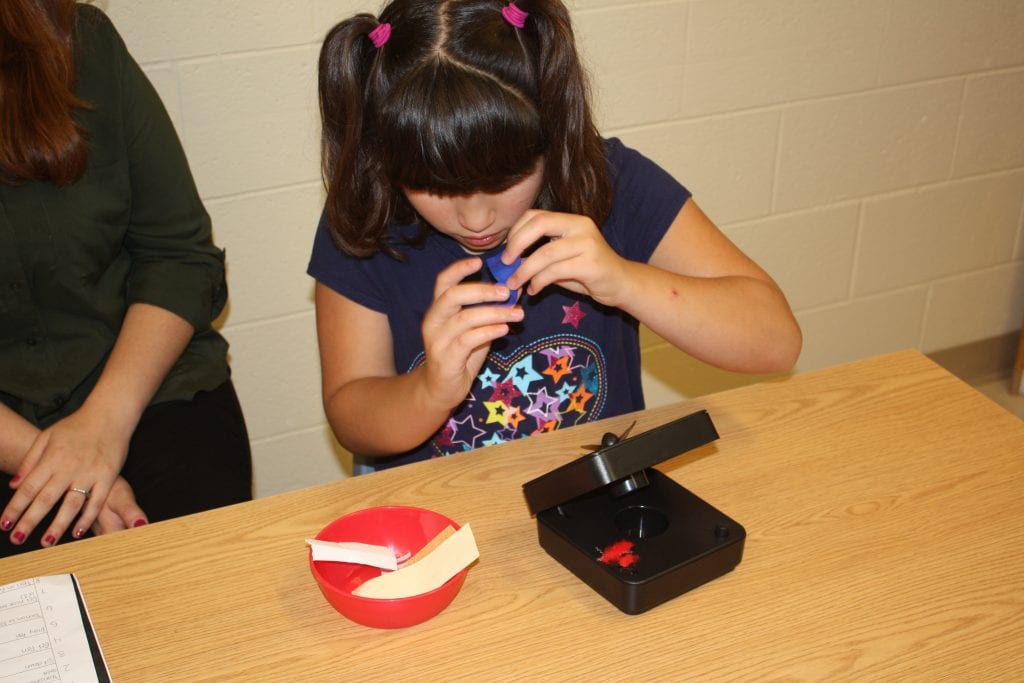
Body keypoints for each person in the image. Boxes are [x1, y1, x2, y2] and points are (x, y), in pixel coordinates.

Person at [308, 0, 802, 473]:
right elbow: (352, 417)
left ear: (551, 132)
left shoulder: (608, 183)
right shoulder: (364, 216)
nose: (476, 219)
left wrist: (625, 281)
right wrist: (432, 388)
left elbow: (776, 343)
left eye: (504, 179)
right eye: (434, 185)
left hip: (599, 501)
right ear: (385, 156)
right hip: (440, 517)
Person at [0, 0, 253, 556]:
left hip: (143, 384)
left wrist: (102, 427)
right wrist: (61, 465)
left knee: (192, 580)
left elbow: (180, 255)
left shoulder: (79, 37)